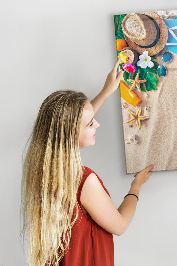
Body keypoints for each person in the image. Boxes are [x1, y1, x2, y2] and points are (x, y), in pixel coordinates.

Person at [21, 60, 154, 266]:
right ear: (72, 133)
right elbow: (119, 225)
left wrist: (106, 90)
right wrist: (136, 186)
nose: (97, 124)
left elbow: (75, 122)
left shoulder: (43, 170)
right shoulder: (84, 181)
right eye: (91, 124)